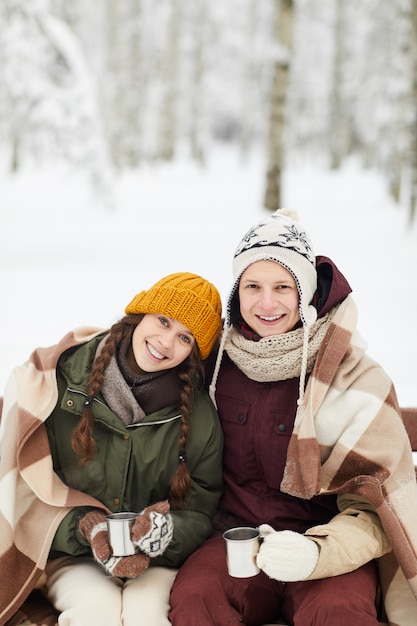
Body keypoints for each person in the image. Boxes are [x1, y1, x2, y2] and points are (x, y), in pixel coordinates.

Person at [169, 210, 417, 626]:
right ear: (236, 293)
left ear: (305, 292)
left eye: (283, 287)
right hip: (235, 539)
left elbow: (378, 505)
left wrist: (317, 552)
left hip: (326, 543)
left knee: (339, 614)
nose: (267, 304)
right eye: (253, 286)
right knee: (197, 600)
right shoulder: (211, 366)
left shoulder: (353, 374)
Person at [0, 272, 224, 626]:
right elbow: (20, 489)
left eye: (184, 337)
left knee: (146, 617)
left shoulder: (199, 417)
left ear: (194, 352)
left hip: (156, 561)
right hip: (74, 555)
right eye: (162, 321)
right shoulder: (59, 380)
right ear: (140, 314)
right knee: (95, 613)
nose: (165, 343)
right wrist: (86, 530)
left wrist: (163, 534)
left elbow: (199, 510)